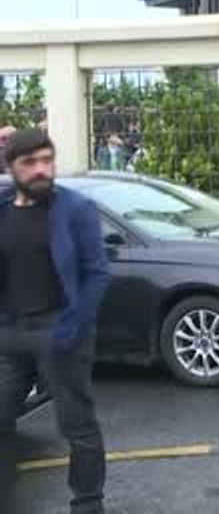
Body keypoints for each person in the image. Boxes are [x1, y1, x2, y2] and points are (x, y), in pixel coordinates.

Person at [0, 129, 111, 514]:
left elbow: (97, 273)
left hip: (60, 330)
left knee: (77, 425)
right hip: (10, 334)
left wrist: (74, 326)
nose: (41, 170)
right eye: (30, 163)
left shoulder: (75, 209)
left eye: (47, 160)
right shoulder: (2, 210)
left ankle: (88, 503)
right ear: (11, 167)